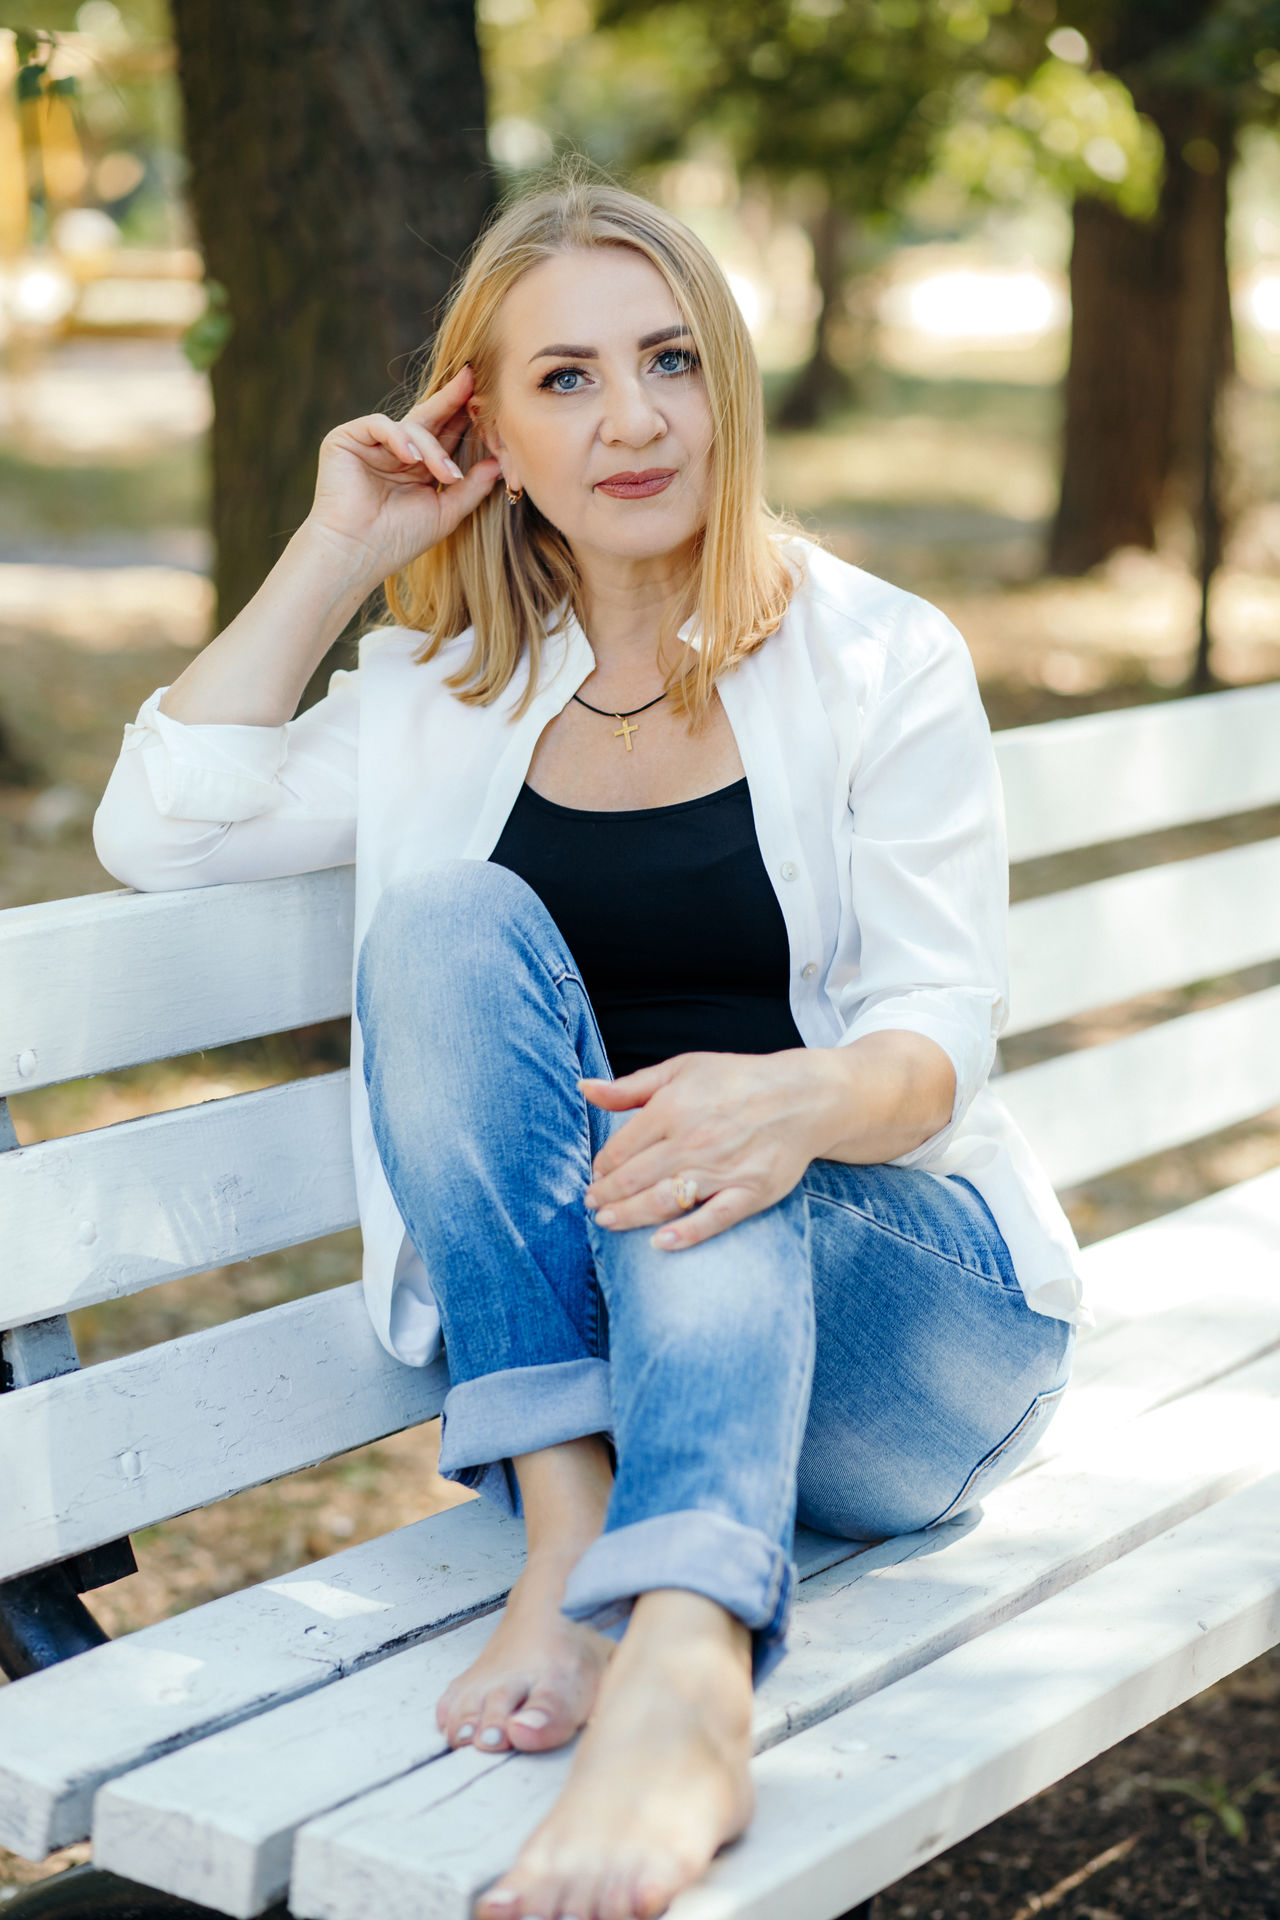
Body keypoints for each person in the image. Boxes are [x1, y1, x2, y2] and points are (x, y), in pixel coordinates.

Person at [94, 173, 1088, 1920]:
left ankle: (690, 1671)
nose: (633, 420)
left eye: (670, 360)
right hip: (627, 1376)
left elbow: (938, 1044)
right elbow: (161, 828)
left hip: (905, 1350)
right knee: (442, 927)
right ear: (486, 433)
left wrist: (789, 1103)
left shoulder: (878, 657)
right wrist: (340, 550)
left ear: (729, 386)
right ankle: (568, 1538)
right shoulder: (446, 694)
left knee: (700, 1150)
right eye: (565, 379)